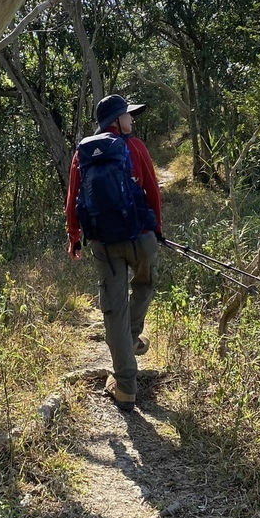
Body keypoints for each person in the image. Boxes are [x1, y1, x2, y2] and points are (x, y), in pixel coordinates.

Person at [66, 94, 163, 411]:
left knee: (114, 311)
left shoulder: (84, 153)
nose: (132, 120)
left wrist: (74, 236)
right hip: (140, 239)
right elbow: (152, 190)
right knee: (145, 285)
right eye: (128, 116)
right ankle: (133, 337)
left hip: (104, 243)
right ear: (116, 121)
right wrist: (156, 229)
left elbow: (72, 199)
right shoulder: (135, 146)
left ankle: (125, 387)